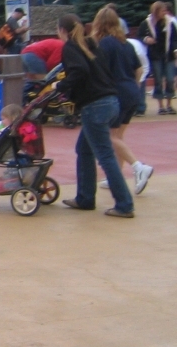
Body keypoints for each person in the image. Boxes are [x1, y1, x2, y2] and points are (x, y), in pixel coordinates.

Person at [54, 14, 134, 218]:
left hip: (94, 105)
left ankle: (124, 204)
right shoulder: (92, 44)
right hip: (110, 101)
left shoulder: (71, 47)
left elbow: (79, 71)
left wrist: (60, 86)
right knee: (84, 149)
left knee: (105, 155)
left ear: (62, 30)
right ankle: (85, 197)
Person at [92, 7, 153, 194]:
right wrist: (133, 86)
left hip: (116, 92)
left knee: (111, 137)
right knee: (118, 137)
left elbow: (101, 70)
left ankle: (138, 167)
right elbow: (139, 69)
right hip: (131, 91)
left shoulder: (104, 44)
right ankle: (115, 176)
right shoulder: (125, 43)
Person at [138, 1, 176, 114]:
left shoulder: (170, 23)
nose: (165, 13)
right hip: (155, 55)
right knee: (158, 80)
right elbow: (140, 35)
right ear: (156, 11)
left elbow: (175, 38)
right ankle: (161, 106)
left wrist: (175, 49)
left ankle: (169, 104)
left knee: (170, 79)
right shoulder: (147, 23)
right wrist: (146, 39)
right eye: (162, 10)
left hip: (168, 54)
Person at [128, 35, 150, 116]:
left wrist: (140, 80)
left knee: (140, 86)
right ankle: (129, 108)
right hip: (124, 67)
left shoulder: (139, 52)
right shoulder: (119, 50)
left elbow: (145, 66)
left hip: (141, 66)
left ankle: (140, 108)